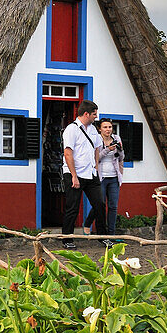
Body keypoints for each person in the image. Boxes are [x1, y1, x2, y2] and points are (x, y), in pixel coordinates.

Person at [61, 100, 106, 249]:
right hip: (75, 173)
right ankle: (67, 239)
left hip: (91, 173)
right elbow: (68, 153)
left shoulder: (93, 129)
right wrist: (74, 175)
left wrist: (96, 168)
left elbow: (97, 149)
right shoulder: (71, 130)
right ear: (86, 114)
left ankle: (103, 237)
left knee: (99, 204)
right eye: (94, 114)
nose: (96, 117)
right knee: (72, 207)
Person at [97, 119, 124, 246]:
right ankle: (101, 233)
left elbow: (121, 157)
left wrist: (119, 150)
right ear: (100, 129)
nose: (108, 129)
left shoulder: (116, 138)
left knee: (113, 206)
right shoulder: (97, 140)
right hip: (101, 177)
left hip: (114, 176)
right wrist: (108, 149)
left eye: (110, 127)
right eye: (105, 127)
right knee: (101, 205)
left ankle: (111, 234)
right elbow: (97, 157)